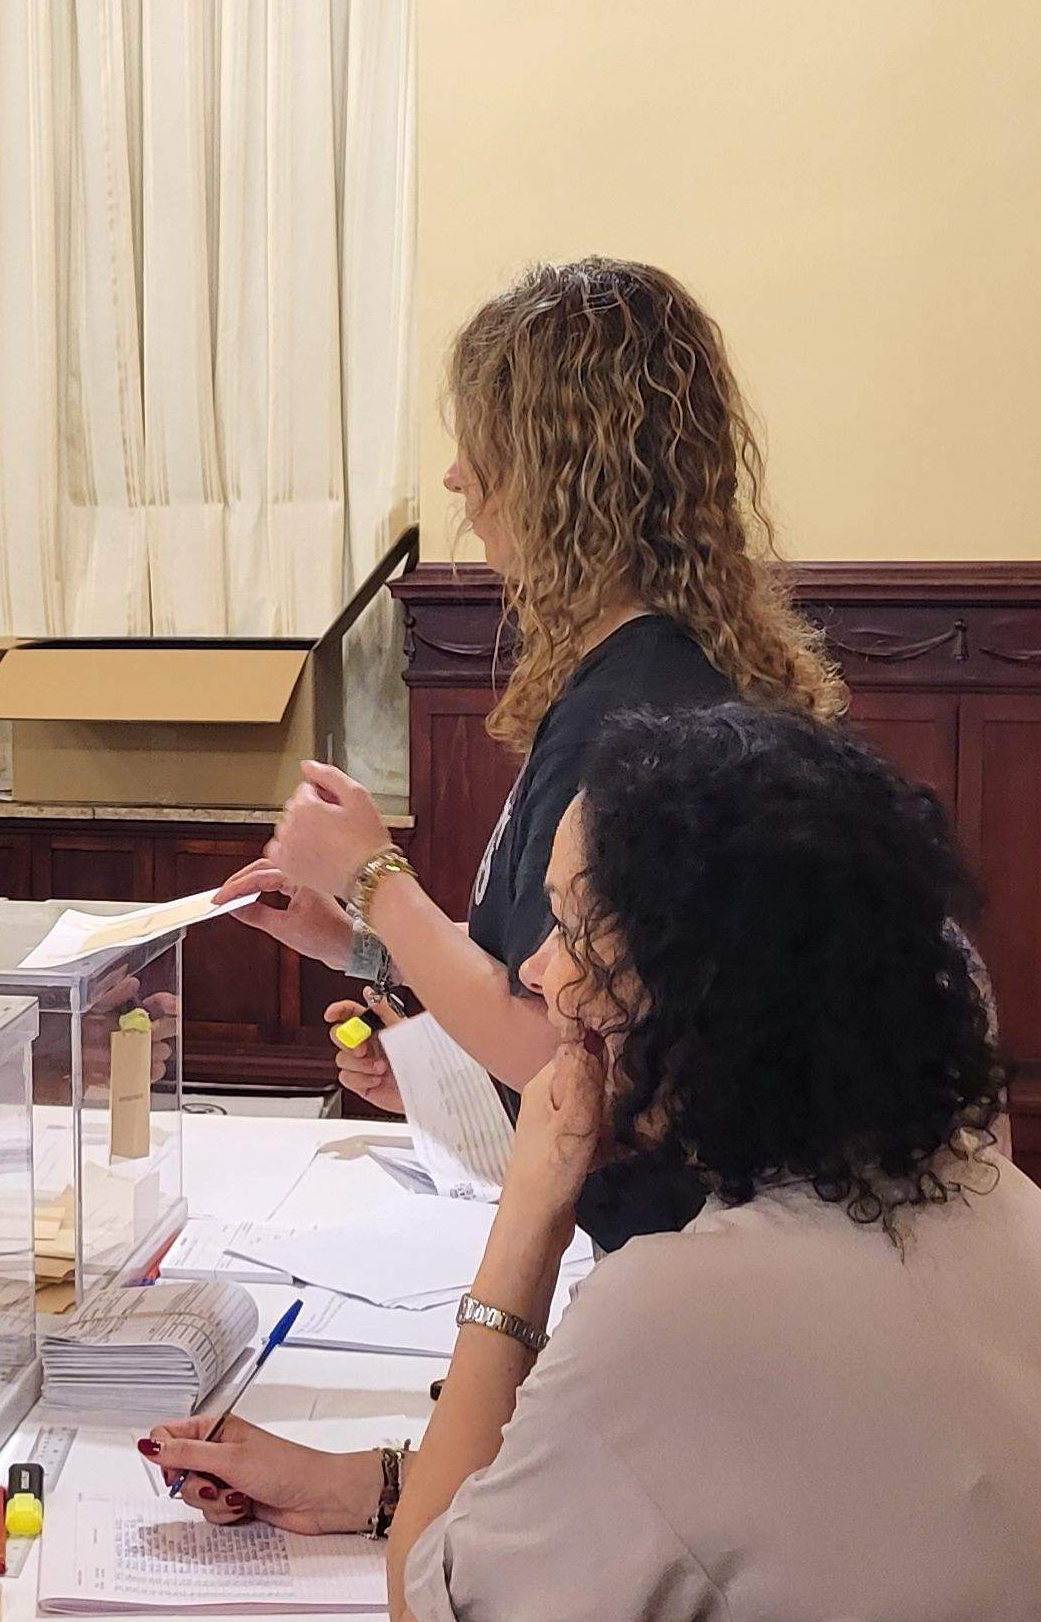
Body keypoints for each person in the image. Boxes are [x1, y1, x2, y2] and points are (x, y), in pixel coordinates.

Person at [149, 708, 1041, 1622]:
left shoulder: (691, 1313)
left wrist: (527, 1221)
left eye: (570, 934)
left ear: (695, 990)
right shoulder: (1000, 1200)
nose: (540, 974)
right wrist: (372, 1486)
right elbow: (697, 1490)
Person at [221, 256, 842, 1242]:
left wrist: (373, 873)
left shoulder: (632, 710)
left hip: (651, 1245)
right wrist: (354, 942)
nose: (456, 474)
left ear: (563, 476)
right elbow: (532, 968)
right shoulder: (643, 670)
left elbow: (550, 1049)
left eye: (482, 445)